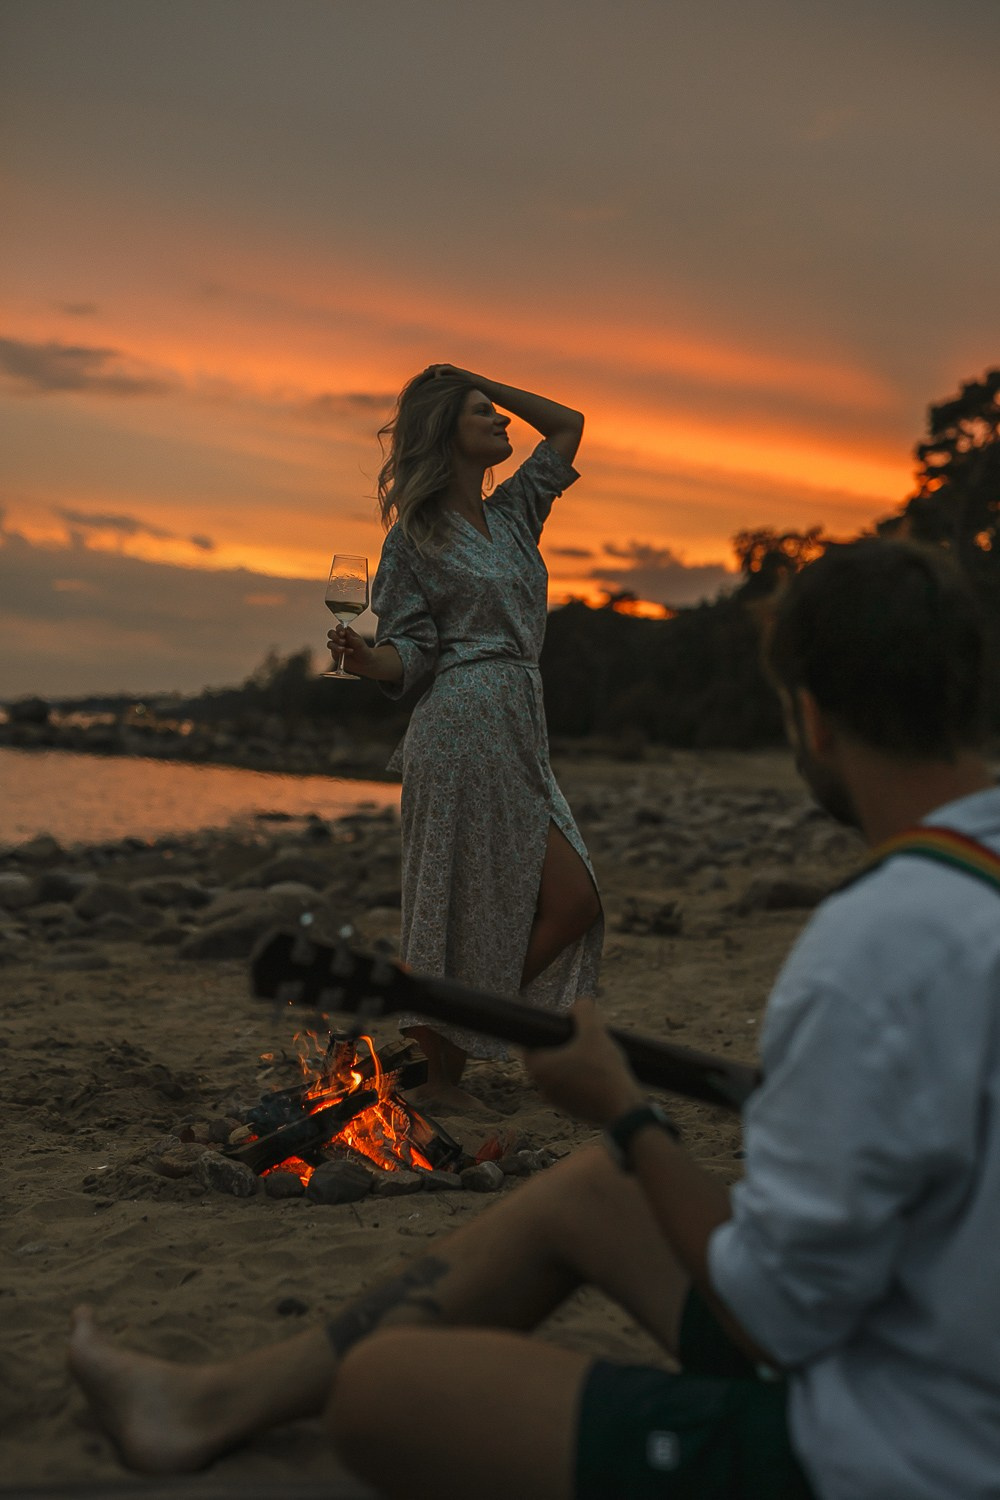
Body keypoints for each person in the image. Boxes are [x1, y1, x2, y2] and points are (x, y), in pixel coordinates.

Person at [68, 539, 1000, 1499]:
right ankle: (213, 1400)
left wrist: (627, 1115)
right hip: (944, 1328)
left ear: (811, 714)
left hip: (914, 1444)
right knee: (592, 1193)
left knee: (386, 1394)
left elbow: (779, 1314)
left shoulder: (873, 947)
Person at [328, 364, 603, 1103]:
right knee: (448, 897)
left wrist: (477, 377)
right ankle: (444, 1068)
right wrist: (363, 661)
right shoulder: (414, 538)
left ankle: (456, 1034)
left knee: (573, 902)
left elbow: (568, 425)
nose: (503, 422)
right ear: (445, 431)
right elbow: (411, 652)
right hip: (457, 721)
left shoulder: (514, 515)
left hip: (517, 718)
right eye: (483, 413)